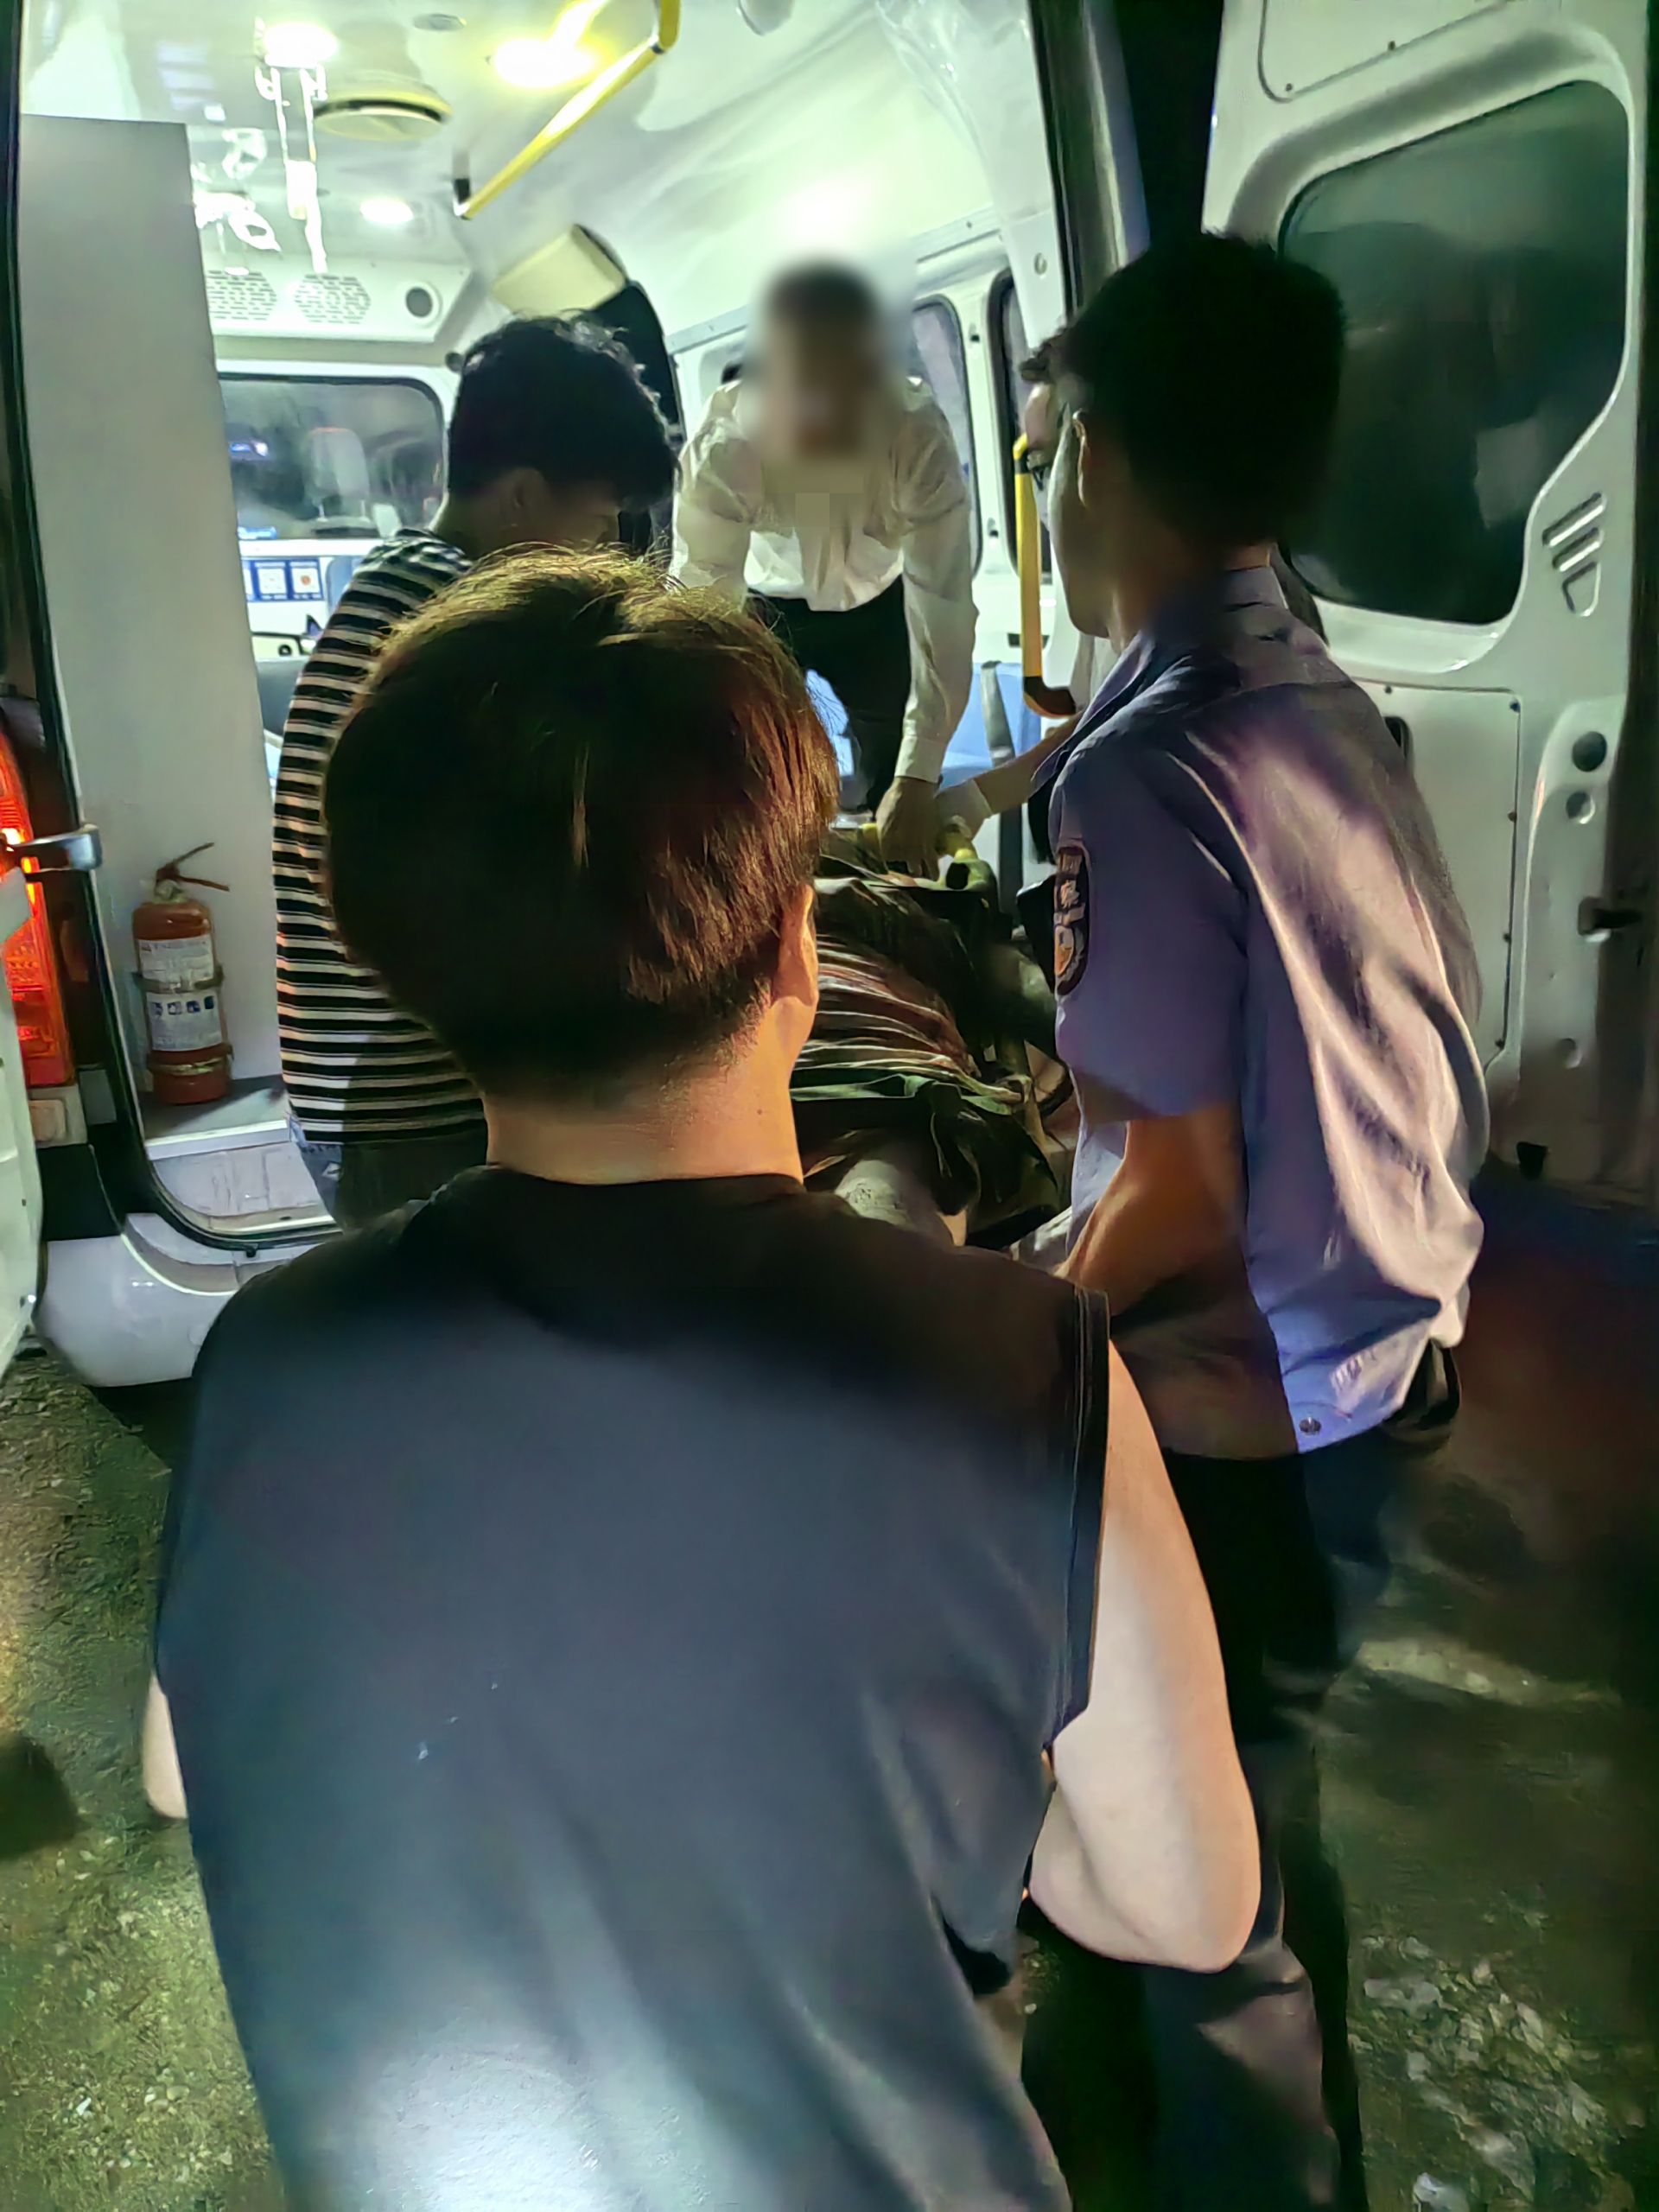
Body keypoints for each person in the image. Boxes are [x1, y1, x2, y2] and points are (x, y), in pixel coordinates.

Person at [148, 550, 1258, 2211]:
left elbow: (184, 1768)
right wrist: (977, 1792)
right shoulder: (1025, 1370)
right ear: (798, 952)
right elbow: (1187, 1905)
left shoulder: (275, 1355)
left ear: (406, 970)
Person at [1023, 234, 1489, 2210]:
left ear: (1097, 457)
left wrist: (1012, 1313)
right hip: (1391, 1354)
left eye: (1054, 447)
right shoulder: (1317, 697)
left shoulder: (1144, 771)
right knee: (1264, 1802)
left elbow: (1174, 1183)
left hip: (1255, 1418)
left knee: (1207, 1882)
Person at [273, 314, 674, 1228]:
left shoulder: (399, 580)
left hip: (361, 1085)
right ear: (525, 497)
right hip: (410, 1104)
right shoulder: (462, 618)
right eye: (599, 520)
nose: (605, 550)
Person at [672, 263, 975, 874]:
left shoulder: (915, 436)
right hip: (768, 605)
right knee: (761, 759)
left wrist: (918, 776)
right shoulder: (728, 447)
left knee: (896, 778)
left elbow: (942, 600)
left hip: (880, 606)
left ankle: (896, 899)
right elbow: (702, 610)